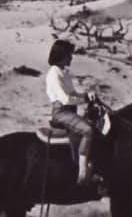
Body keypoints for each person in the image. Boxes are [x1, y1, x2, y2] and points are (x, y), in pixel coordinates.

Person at [44, 38, 105, 192]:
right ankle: (83, 173)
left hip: (70, 111)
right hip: (61, 112)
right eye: (69, 55)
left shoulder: (64, 73)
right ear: (61, 55)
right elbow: (66, 99)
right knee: (88, 130)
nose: (71, 58)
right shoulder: (54, 74)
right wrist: (84, 98)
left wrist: (87, 94)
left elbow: (73, 94)